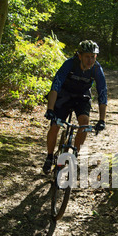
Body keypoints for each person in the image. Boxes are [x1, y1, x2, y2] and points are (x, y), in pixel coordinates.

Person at [42, 40, 107, 174]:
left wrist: (102, 120)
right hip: (64, 94)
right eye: (87, 56)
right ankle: (49, 156)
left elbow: (102, 93)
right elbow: (55, 86)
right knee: (55, 125)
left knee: (84, 123)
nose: (90, 60)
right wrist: (50, 109)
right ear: (79, 56)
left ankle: (74, 156)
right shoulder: (70, 64)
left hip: (82, 96)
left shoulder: (96, 69)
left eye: (93, 57)